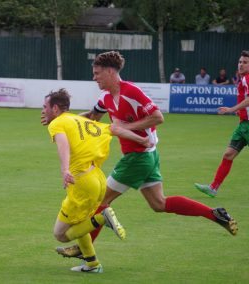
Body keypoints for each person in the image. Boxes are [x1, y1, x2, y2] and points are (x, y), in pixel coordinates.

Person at [56, 51, 238, 259]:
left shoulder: (131, 92)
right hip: (148, 157)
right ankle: (214, 213)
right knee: (159, 204)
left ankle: (84, 249)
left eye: (97, 73)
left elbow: (157, 117)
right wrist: (62, 120)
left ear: (109, 72)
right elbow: (90, 118)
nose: (94, 77)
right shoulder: (105, 97)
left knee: (99, 202)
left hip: (138, 157)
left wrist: (127, 127)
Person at [42, 88, 152, 273]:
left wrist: (65, 170)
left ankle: (102, 218)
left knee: (60, 234)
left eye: (45, 107)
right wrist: (142, 141)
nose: (42, 110)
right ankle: (92, 264)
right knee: (80, 222)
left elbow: (63, 145)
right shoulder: (82, 121)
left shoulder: (58, 124)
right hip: (97, 179)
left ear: (55, 108)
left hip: (82, 182)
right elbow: (114, 129)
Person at [195, 50, 249, 197]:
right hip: (243, 125)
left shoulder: (248, 79)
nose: (241, 64)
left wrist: (232, 109)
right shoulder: (243, 78)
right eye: (240, 62)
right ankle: (213, 188)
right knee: (228, 155)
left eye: (245, 62)